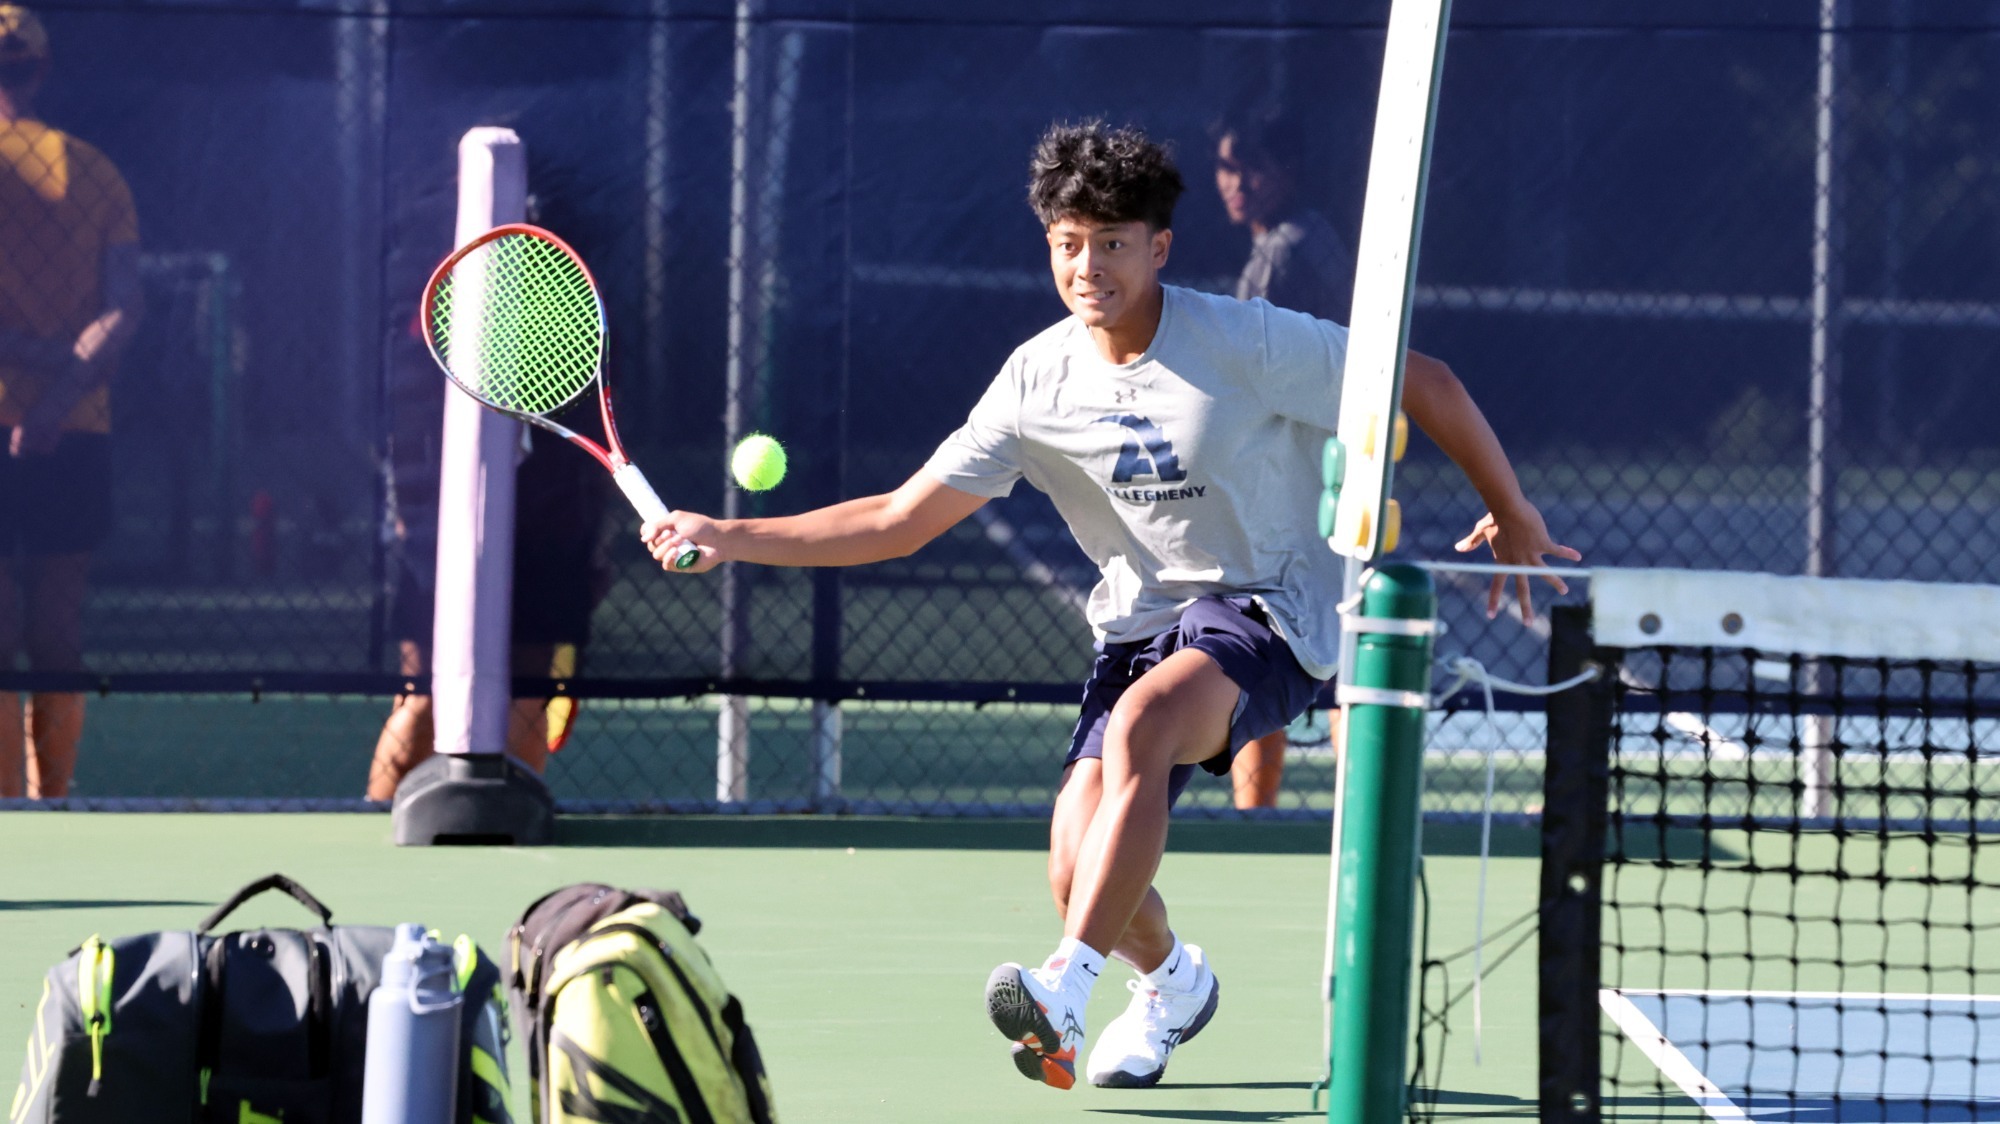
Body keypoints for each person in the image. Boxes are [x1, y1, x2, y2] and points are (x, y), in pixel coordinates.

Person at [641, 121, 1578, 1090]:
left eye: (1112, 242)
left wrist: (1508, 509)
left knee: (1138, 728)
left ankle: (1062, 986)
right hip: (1138, 620)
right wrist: (729, 532)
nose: (1088, 265)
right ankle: (1172, 982)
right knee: (1073, 868)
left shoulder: (1242, 339)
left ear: (1157, 246)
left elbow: (1423, 380)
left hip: (1270, 604)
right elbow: (897, 517)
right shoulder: (1032, 382)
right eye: (1067, 242)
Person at [364, 312, 611, 801]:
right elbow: (406, 409)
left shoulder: (571, 305)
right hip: (442, 515)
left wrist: (593, 539)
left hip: (549, 514)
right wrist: (408, 514)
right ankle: (383, 817)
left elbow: (592, 421)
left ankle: (511, 824)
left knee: (528, 689)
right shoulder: (438, 289)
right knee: (423, 694)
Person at [0, 4, 141, 800]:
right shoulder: (94, 171)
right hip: (78, 425)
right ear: (42, 70)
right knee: (57, 629)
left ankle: (2, 804)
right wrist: (59, 392)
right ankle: (52, 796)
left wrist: (28, 366)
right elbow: (123, 311)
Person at [1212, 109, 1356, 810]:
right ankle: (1263, 816)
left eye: (1254, 168)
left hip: (1309, 480)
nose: (1238, 183)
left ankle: (1266, 815)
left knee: (1312, 640)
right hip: (1322, 471)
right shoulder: (1298, 240)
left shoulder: (1289, 249)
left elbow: (1253, 375)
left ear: (1289, 173)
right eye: (1227, 168)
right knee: (1315, 638)